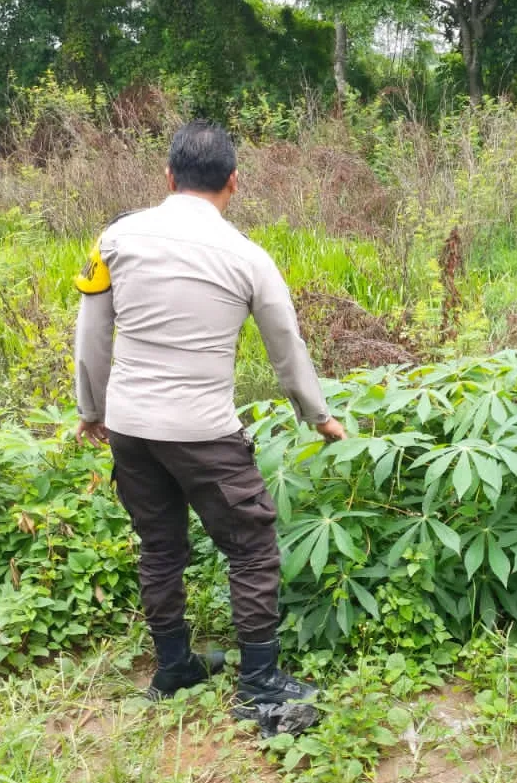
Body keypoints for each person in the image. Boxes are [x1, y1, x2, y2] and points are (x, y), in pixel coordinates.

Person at [73, 120, 345, 732]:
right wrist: (318, 416)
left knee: (160, 545)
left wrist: (91, 410)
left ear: (167, 177)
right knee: (251, 545)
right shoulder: (248, 256)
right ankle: (259, 685)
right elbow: (286, 347)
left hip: (131, 426)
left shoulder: (115, 239)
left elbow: (91, 336)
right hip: (202, 431)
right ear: (234, 183)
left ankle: (174, 667)